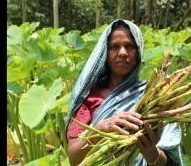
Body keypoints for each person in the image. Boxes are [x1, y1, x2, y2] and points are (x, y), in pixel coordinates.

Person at [65, 19, 183, 166]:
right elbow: (74, 160)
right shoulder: (89, 98)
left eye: (129, 46)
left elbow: (170, 163)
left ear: (138, 51)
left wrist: (151, 153)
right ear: (105, 53)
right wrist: (100, 129)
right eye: (114, 47)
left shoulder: (155, 98)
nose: (122, 52)